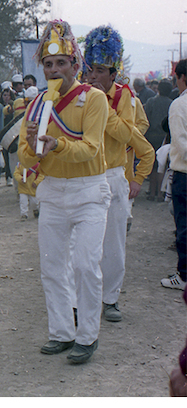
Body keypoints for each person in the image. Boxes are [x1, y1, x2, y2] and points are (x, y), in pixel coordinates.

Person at [18, 19, 110, 364]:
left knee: (86, 264)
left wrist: (56, 145)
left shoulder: (94, 99)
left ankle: (87, 335)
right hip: (53, 191)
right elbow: (28, 157)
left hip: (88, 191)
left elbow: (91, 148)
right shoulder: (38, 103)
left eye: (61, 63)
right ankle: (61, 331)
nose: (54, 70)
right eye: (48, 64)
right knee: (52, 266)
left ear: (75, 64)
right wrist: (30, 146)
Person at [83, 25, 135, 323]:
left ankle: (111, 298)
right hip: (87, 175)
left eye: (100, 70)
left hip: (114, 174)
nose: (93, 76)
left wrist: (104, 105)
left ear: (113, 72)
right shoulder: (81, 94)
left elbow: (125, 133)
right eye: (90, 69)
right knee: (85, 244)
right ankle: (85, 298)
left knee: (113, 242)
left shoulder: (124, 96)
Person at [161, 58, 187, 291]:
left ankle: (184, 276)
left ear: (180, 78)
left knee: (184, 226)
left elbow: (180, 143)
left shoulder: (179, 105)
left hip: (185, 174)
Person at [144, 79, 173, 199]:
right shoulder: (172, 103)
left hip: (151, 136)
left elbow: (145, 119)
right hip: (165, 137)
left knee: (153, 165)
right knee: (163, 165)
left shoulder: (151, 102)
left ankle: (151, 192)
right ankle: (161, 193)